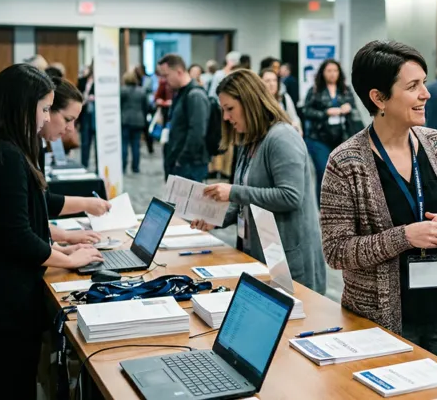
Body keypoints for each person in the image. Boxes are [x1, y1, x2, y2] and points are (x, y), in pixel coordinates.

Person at [0, 64, 103, 399]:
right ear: (22, 106)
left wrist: (61, 249)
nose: (46, 119)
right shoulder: (3, 154)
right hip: (0, 299)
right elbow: (16, 236)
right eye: (44, 109)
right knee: (7, 382)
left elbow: (12, 219)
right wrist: (69, 260)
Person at [321, 40, 437, 371]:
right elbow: (336, 251)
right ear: (379, 98)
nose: (426, 94)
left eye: (424, 83)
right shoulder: (346, 162)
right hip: (377, 321)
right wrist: (405, 237)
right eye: (413, 86)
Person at [189, 70, 326, 293]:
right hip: (261, 253)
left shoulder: (282, 137)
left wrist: (233, 192)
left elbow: (290, 196)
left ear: (250, 102)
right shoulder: (251, 140)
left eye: (230, 109)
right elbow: (247, 198)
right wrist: (217, 219)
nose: (226, 117)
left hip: (289, 261)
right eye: (223, 110)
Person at [38, 76, 112, 245]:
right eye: (67, 119)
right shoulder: (11, 151)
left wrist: (62, 245)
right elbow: (20, 226)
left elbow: (39, 204)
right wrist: (64, 252)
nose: (71, 129)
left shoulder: (36, 143)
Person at [301, 59, 361, 199]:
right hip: (319, 138)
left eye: (335, 71)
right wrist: (325, 113)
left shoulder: (345, 90)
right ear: (323, 73)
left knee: (342, 174)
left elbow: (354, 110)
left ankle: (339, 205)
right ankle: (322, 206)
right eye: (329, 71)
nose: (332, 74)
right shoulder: (315, 90)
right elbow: (306, 111)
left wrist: (348, 108)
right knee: (324, 171)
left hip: (342, 137)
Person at [160, 54, 211, 182]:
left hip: (189, 166)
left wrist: (181, 160)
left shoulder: (195, 95)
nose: (164, 80)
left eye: (166, 75)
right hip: (180, 164)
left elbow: (197, 132)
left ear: (179, 72)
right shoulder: (180, 93)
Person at [121, 70, 149, 174]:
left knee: (124, 144)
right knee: (136, 145)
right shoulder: (141, 91)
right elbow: (146, 107)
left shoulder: (122, 91)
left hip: (125, 120)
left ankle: (123, 166)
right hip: (138, 121)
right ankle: (135, 167)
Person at [260, 68, 301, 133]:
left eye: (274, 80)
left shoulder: (284, 97)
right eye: (267, 81)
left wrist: (298, 128)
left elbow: (294, 117)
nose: (272, 84)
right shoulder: (257, 101)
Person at [77, 63, 97, 168]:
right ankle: (84, 165)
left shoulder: (100, 82)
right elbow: (77, 95)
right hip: (85, 114)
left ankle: (99, 167)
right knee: (85, 141)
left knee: (98, 143)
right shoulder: (82, 80)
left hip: (96, 115)